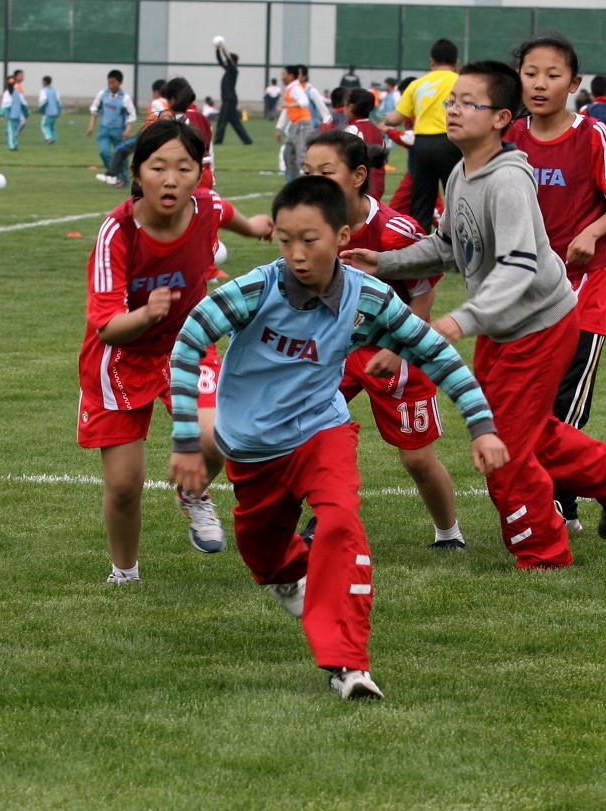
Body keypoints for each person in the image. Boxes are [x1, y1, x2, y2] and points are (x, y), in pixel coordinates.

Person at [169, 175, 509, 699]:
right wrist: (189, 442)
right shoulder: (254, 290)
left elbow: (434, 353)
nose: (297, 254)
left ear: (343, 237)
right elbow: (189, 340)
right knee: (261, 552)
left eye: (311, 240)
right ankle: (287, 576)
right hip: (251, 445)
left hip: (321, 431)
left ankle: (349, 666)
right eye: (285, 240)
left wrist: (481, 426)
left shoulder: (368, 297)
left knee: (341, 522)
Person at [343, 60, 606, 570]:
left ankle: (543, 552)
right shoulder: (462, 172)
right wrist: (385, 261)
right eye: (452, 101)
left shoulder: (507, 181)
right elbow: (447, 246)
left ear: (500, 118)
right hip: (504, 328)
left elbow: (518, 266)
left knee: (503, 444)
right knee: (528, 431)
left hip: (537, 324)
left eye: (469, 103)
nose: (454, 109)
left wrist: (457, 320)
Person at [80, 118, 274, 584]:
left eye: (184, 168)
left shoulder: (205, 206)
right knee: (125, 485)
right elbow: (107, 328)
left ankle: (193, 495)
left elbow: (227, 213)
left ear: (199, 174)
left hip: (188, 344)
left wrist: (255, 226)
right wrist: (147, 314)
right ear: (137, 171)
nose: (171, 179)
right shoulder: (116, 232)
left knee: (218, 435)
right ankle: (124, 573)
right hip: (121, 358)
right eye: (158, 167)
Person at [300, 131, 465, 549]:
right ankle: (328, 514)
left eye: (325, 173)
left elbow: (425, 289)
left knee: (416, 457)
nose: (314, 182)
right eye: (307, 173)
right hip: (337, 352)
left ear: (358, 175)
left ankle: (449, 533)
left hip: (396, 352)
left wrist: (398, 349)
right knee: (307, 433)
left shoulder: (395, 231)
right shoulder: (311, 224)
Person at [511, 34, 606, 535]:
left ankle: (559, 501)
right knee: (527, 402)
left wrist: (591, 231)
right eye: (531, 73)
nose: (541, 84)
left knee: (565, 402)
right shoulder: (510, 140)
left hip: (586, 284)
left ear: (574, 83)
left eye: (552, 74)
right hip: (527, 288)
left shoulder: (593, 136)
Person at [382, 38, 462, 233]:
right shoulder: (461, 81)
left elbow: (396, 118)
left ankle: (421, 254)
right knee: (459, 199)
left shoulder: (417, 84)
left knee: (422, 204)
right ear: (456, 62)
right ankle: (463, 255)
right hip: (450, 143)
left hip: (422, 146)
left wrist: (386, 119)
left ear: (432, 61)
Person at [88, 70, 137, 170]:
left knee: (121, 154)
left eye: (113, 83)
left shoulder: (125, 97)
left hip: (119, 130)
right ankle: (113, 172)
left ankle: (123, 178)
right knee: (104, 152)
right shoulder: (103, 94)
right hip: (104, 130)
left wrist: (127, 130)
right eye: (109, 82)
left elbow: (131, 115)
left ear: (120, 83)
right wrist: (91, 126)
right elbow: (94, 110)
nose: (110, 85)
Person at [343, 88, 387, 199]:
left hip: (361, 187)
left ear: (351, 107)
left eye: (345, 105)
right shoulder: (377, 130)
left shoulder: (352, 129)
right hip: (378, 185)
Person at [276, 65, 315, 182]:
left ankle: (316, 184)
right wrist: (279, 127)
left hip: (302, 125)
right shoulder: (290, 88)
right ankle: (295, 184)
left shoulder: (296, 88)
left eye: (284, 74)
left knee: (302, 157)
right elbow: (287, 112)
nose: (282, 77)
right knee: (288, 154)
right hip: (295, 125)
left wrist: (288, 105)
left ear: (291, 76)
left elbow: (304, 101)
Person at [213, 40, 253, 145]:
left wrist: (224, 48)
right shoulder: (228, 70)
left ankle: (218, 141)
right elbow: (220, 60)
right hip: (228, 99)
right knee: (235, 122)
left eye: (228, 60)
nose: (225, 62)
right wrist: (218, 49)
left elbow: (229, 61)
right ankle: (247, 141)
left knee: (222, 120)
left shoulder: (233, 71)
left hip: (229, 100)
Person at [0, 76, 28, 151]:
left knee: (11, 131)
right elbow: (24, 104)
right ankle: (15, 144)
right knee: (14, 131)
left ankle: (12, 146)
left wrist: (1, 115)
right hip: (18, 114)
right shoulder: (18, 93)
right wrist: (26, 113)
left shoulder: (7, 93)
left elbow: (5, 105)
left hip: (11, 116)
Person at [39, 75, 61, 145]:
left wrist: (42, 110)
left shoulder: (44, 91)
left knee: (45, 125)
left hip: (48, 111)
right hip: (55, 112)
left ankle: (49, 138)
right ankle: (54, 139)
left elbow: (43, 101)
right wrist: (59, 111)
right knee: (52, 127)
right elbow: (58, 102)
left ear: (44, 82)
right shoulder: (55, 91)